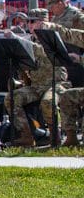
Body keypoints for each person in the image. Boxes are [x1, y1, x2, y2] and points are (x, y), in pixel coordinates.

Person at [5, 9, 69, 147]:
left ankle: (55, 138)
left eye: (33, 21)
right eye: (28, 21)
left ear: (43, 22)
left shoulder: (52, 38)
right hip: (37, 85)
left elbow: (41, 51)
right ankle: (26, 136)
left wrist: (17, 39)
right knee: (11, 98)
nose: (29, 25)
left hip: (55, 83)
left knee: (48, 102)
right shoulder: (32, 39)